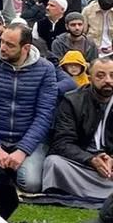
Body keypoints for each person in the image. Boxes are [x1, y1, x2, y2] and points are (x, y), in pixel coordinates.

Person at [0, 24, 58, 218]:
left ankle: (8, 169)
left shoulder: (45, 70)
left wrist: (23, 150)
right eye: (2, 42)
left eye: (10, 45)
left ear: (25, 48)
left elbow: (44, 115)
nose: (2, 48)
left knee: (31, 182)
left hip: (26, 139)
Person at [42, 56, 113, 206]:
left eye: (112, 75)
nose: (108, 80)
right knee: (53, 163)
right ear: (89, 77)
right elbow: (62, 143)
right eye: (100, 75)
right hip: (82, 163)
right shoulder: (73, 100)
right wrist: (91, 160)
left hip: (109, 166)